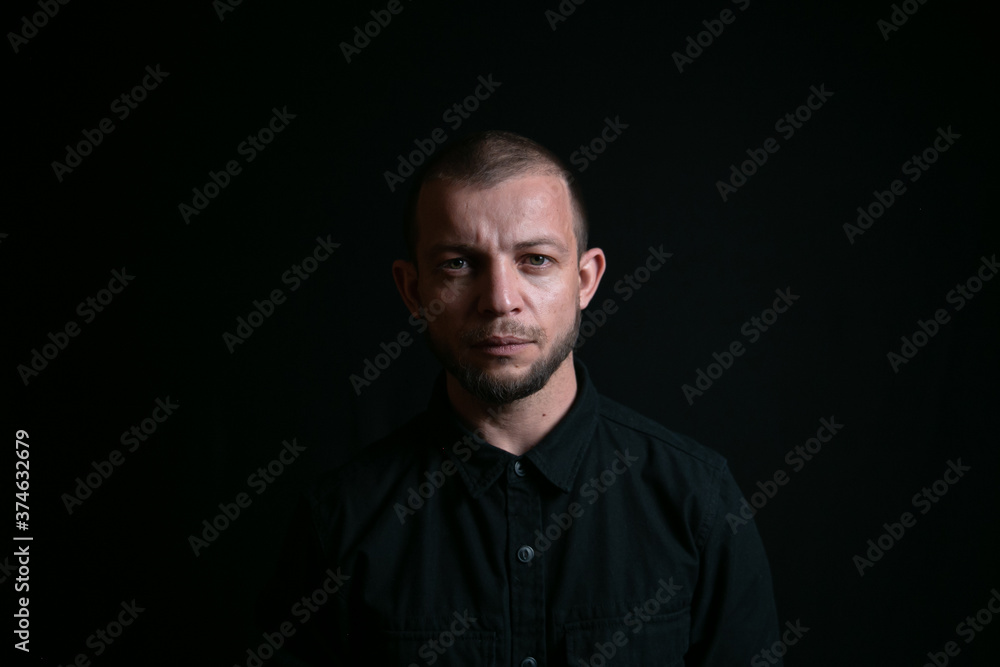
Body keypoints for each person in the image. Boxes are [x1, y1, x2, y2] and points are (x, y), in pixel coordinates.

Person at [257, 130, 781, 666]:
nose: (500, 300)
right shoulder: (339, 523)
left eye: (534, 259)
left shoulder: (698, 502)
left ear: (585, 279)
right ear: (413, 291)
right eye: (458, 263)